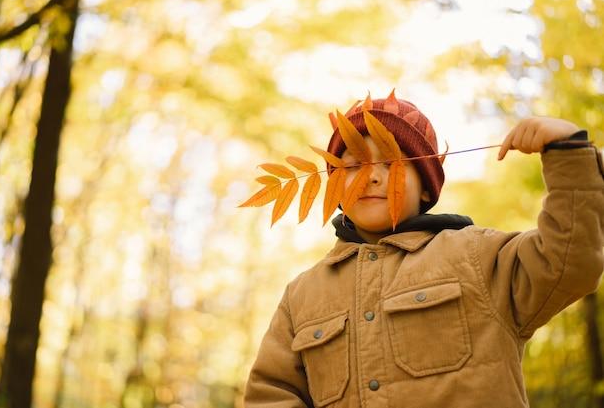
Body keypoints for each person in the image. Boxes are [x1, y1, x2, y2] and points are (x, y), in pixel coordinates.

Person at [243, 90, 604, 407]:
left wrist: (568, 154)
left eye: (392, 163)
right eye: (353, 165)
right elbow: (272, 392)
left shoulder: (478, 256)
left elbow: (569, 262)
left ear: (428, 189)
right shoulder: (303, 295)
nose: (371, 175)